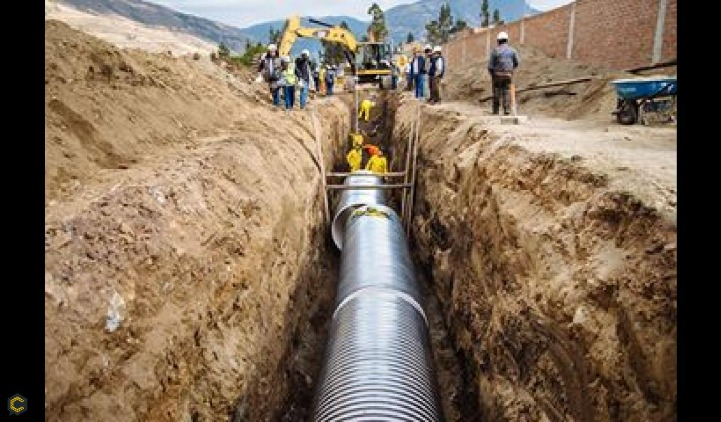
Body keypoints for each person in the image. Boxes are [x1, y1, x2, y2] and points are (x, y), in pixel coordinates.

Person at [488, 31, 520, 115]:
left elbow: (490, 66)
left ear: (498, 41)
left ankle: (495, 111)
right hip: (508, 75)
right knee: (506, 92)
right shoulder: (512, 50)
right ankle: (507, 110)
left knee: (496, 93)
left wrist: (493, 75)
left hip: (497, 75)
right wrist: (510, 70)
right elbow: (516, 63)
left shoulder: (495, 51)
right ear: (507, 40)